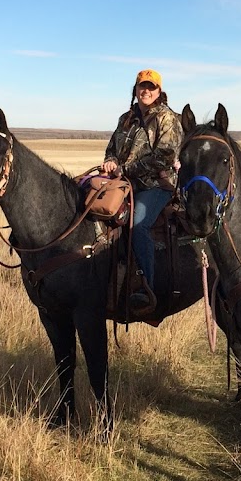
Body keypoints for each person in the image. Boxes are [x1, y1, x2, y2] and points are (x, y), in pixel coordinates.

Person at [101, 69, 182, 310]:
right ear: (135, 90)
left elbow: (165, 156)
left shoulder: (167, 119)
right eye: (141, 87)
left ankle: (145, 286)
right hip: (124, 184)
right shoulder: (126, 118)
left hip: (158, 185)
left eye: (151, 87)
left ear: (159, 91)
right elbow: (111, 149)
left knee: (137, 224)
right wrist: (111, 161)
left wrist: (126, 169)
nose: (145, 91)